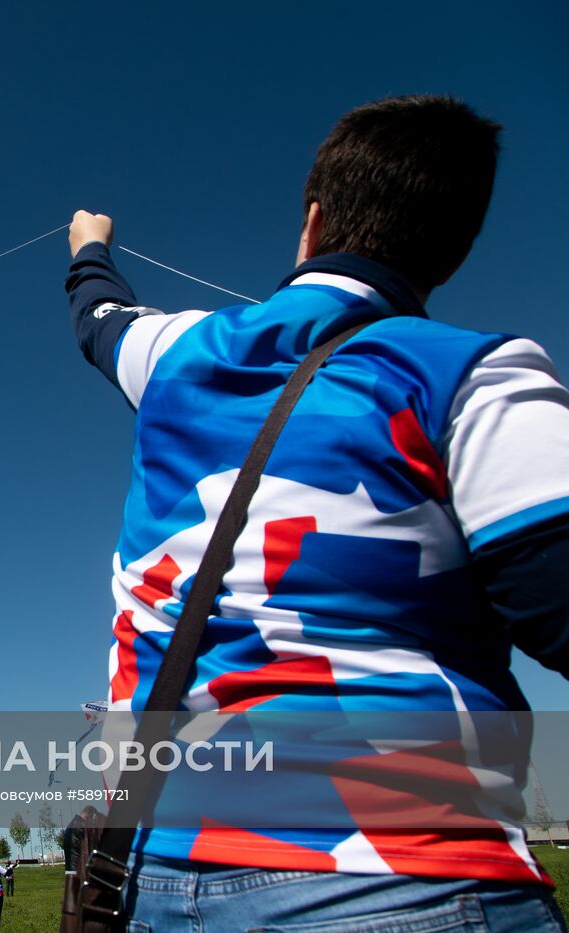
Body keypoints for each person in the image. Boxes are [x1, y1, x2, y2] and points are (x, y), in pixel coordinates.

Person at [66, 95, 569, 930]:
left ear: (312, 223)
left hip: (156, 883)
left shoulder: (175, 353)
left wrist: (89, 245)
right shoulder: (477, 375)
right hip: (404, 874)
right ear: (453, 251)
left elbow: (100, 320)